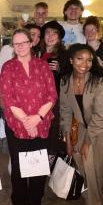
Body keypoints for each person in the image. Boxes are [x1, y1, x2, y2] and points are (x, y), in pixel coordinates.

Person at [60, 44, 103, 205]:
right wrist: (67, 139)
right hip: (85, 125)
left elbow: (101, 116)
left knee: (94, 163)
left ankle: (97, 203)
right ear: (71, 60)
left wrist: (87, 142)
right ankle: (94, 192)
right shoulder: (65, 81)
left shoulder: (99, 82)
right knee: (76, 154)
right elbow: (65, 111)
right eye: (80, 58)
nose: (85, 63)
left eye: (89, 60)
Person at [0, 28, 57, 205]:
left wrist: (37, 119)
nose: (21, 46)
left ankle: (35, 199)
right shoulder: (8, 67)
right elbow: (8, 99)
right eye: (16, 44)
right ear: (13, 46)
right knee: (18, 166)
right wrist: (26, 121)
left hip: (41, 123)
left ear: (31, 43)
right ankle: (19, 200)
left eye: (24, 42)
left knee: (38, 166)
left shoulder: (42, 65)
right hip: (17, 125)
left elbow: (52, 95)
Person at [40, 20, 69, 158]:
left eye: (54, 34)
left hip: (55, 102)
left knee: (53, 132)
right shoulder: (38, 53)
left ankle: (51, 163)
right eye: (47, 33)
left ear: (59, 37)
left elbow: (69, 79)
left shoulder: (64, 55)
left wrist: (59, 70)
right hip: (36, 100)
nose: (50, 36)